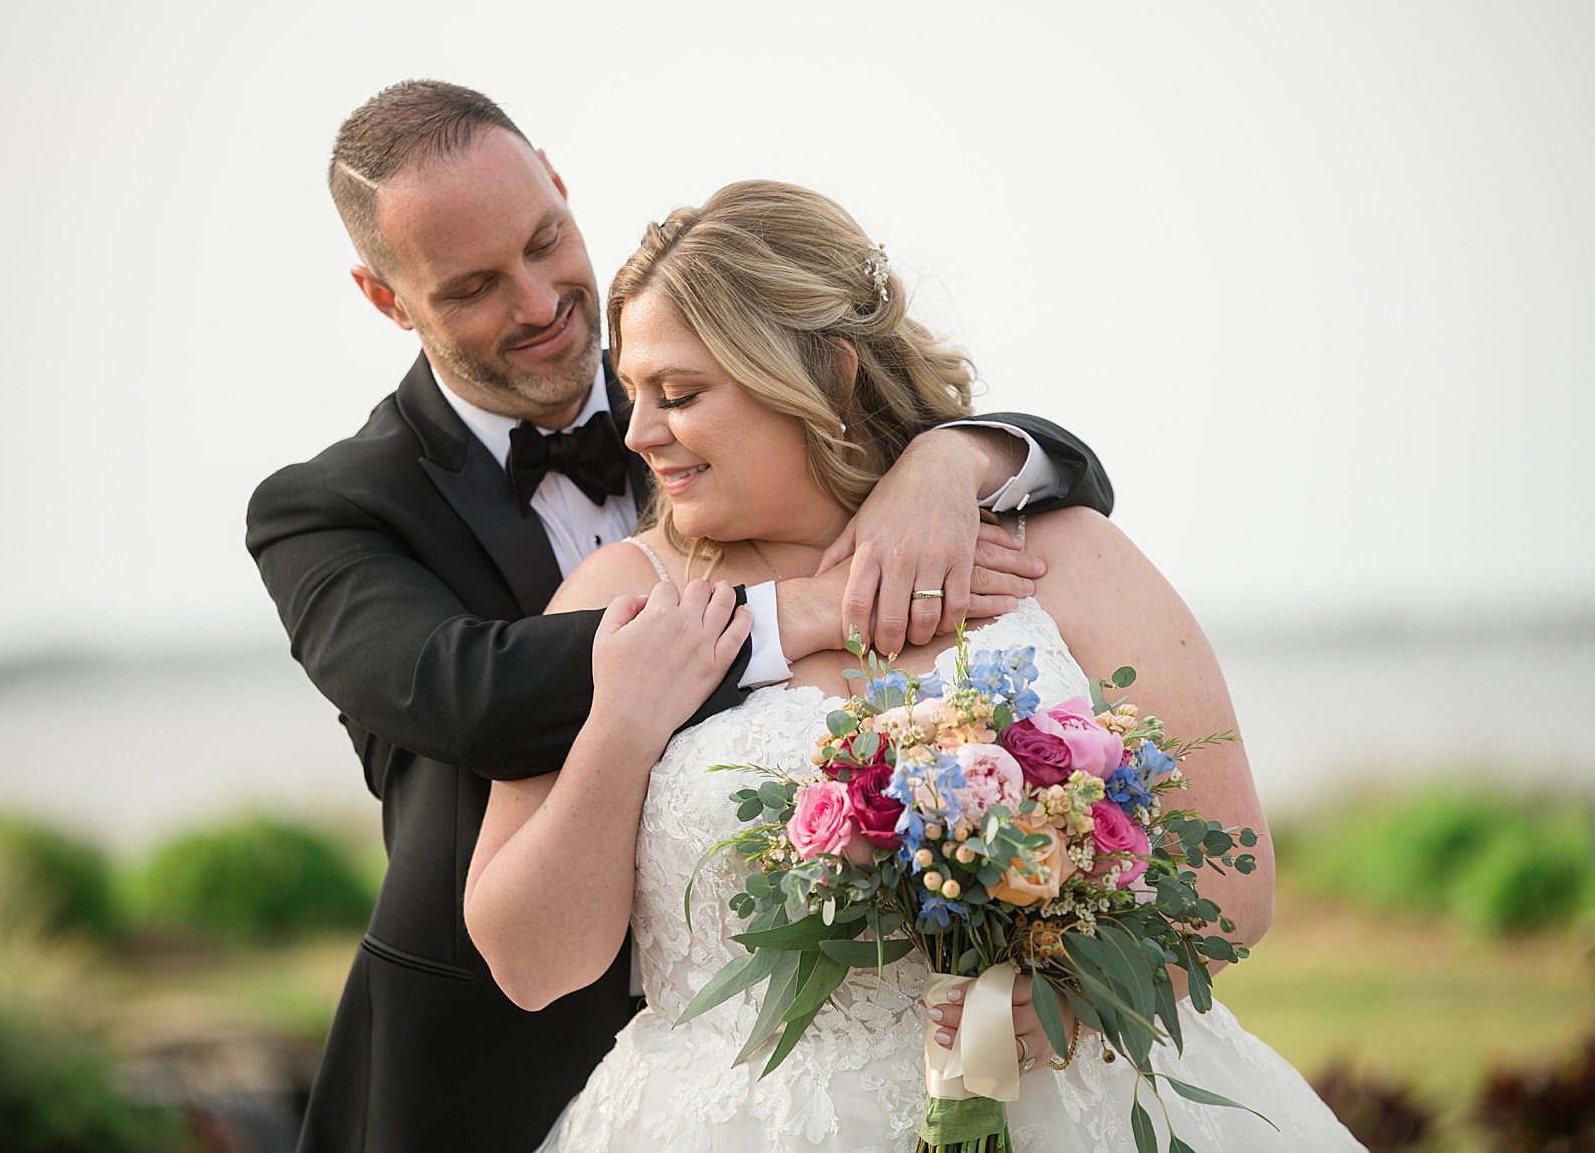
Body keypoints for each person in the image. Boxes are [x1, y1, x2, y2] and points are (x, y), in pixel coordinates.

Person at [245, 82, 1116, 1152]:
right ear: (385, 297)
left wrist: (954, 454)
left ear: (561, 187)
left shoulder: (692, 401)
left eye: (546, 240)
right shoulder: (328, 507)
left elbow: (916, 414)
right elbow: (466, 691)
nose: (537, 301)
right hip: (487, 1061)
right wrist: (792, 612)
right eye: (473, 285)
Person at [465, 181, 1368, 1151]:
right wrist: (621, 725)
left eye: (679, 395)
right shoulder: (619, 598)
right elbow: (529, 961)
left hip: (1068, 1102)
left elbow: (1234, 878)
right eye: (632, 391)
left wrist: (1077, 997)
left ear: (825, 374)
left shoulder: (1058, 555)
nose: (638, 433)